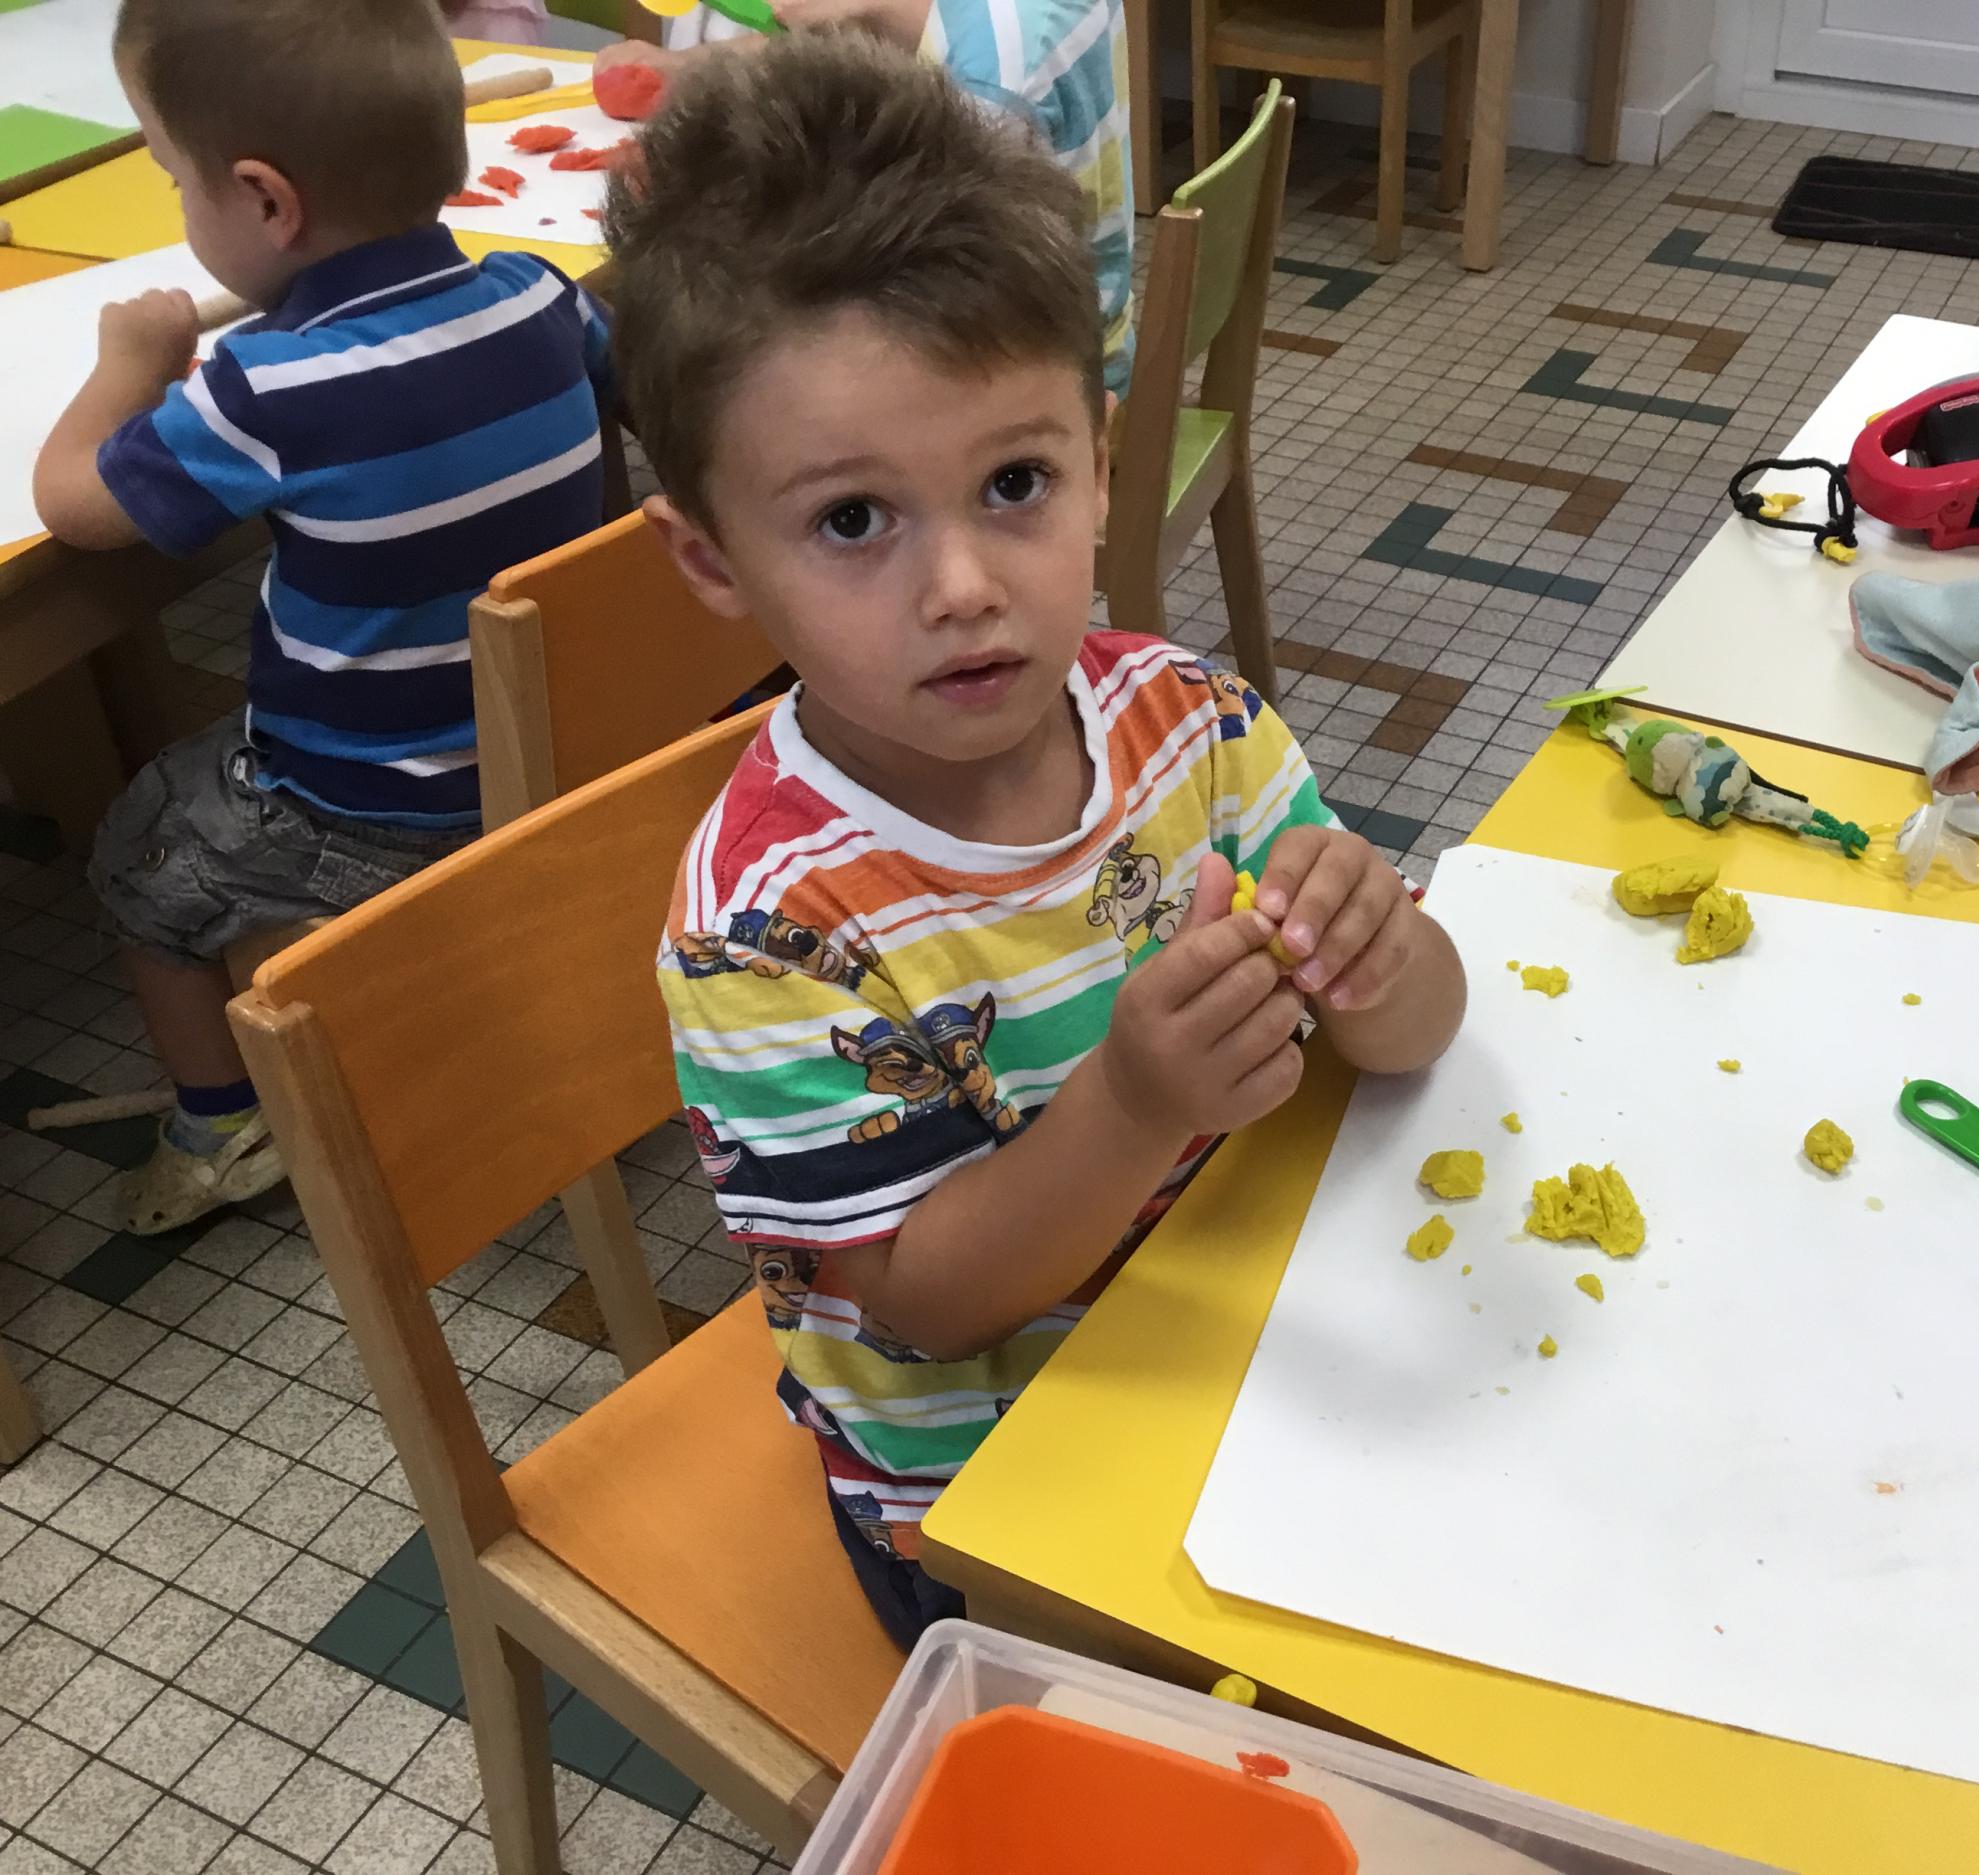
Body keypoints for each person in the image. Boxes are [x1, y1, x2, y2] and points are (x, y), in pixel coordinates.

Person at [610, 32, 1466, 1646]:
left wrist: (1381, 950)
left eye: (1014, 482)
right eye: (852, 519)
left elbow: (1417, 1033)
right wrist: (1136, 1101)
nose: (962, 588)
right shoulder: (771, 925)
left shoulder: (1189, 723)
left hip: (1240, 1343)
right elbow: (924, 1306)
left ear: (1101, 460)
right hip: (990, 1504)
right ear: (712, 558)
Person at [31, 0, 613, 1233]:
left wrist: (127, 366)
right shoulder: (540, 294)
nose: (175, 199)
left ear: (264, 201)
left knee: (144, 844)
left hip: (373, 809)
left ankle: (219, 1125)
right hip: (565, 748)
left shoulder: (266, 389)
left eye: (172, 175)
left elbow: (73, 506)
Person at [595, 0, 1135, 395]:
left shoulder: (988, 86)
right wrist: (696, 66)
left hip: (1029, 377)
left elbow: (934, 291)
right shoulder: (979, 26)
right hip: (1077, 328)